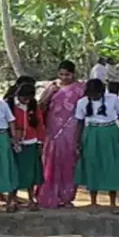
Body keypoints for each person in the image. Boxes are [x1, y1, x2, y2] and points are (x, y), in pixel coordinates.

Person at [73, 79, 119, 211]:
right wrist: (78, 140)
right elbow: (80, 122)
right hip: (92, 132)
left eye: (96, 93)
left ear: (102, 92)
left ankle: (113, 203)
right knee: (93, 165)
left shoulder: (112, 98)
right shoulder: (82, 102)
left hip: (110, 131)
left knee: (112, 166)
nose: (93, 96)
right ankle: (93, 202)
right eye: (90, 93)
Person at [38, 60, 83, 209]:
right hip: (52, 128)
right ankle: (48, 195)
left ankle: (66, 196)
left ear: (73, 74)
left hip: (71, 129)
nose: (64, 77)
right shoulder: (52, 87)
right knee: (50, 160)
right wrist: (50, 93)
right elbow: (40, 106)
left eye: (67, 74)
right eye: (61, 74)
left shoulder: (80, 89)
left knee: (69, 162)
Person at [8, 82, 44, 212]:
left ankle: (31, 199)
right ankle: (12, 199)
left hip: (31, 142)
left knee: (31, 173)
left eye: (29, 98)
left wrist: (40, 142)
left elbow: (39, 124)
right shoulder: (10, 104)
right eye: (24, 98)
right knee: (14, 172)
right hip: (15, 143)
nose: (26, 101)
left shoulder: (33, 105)